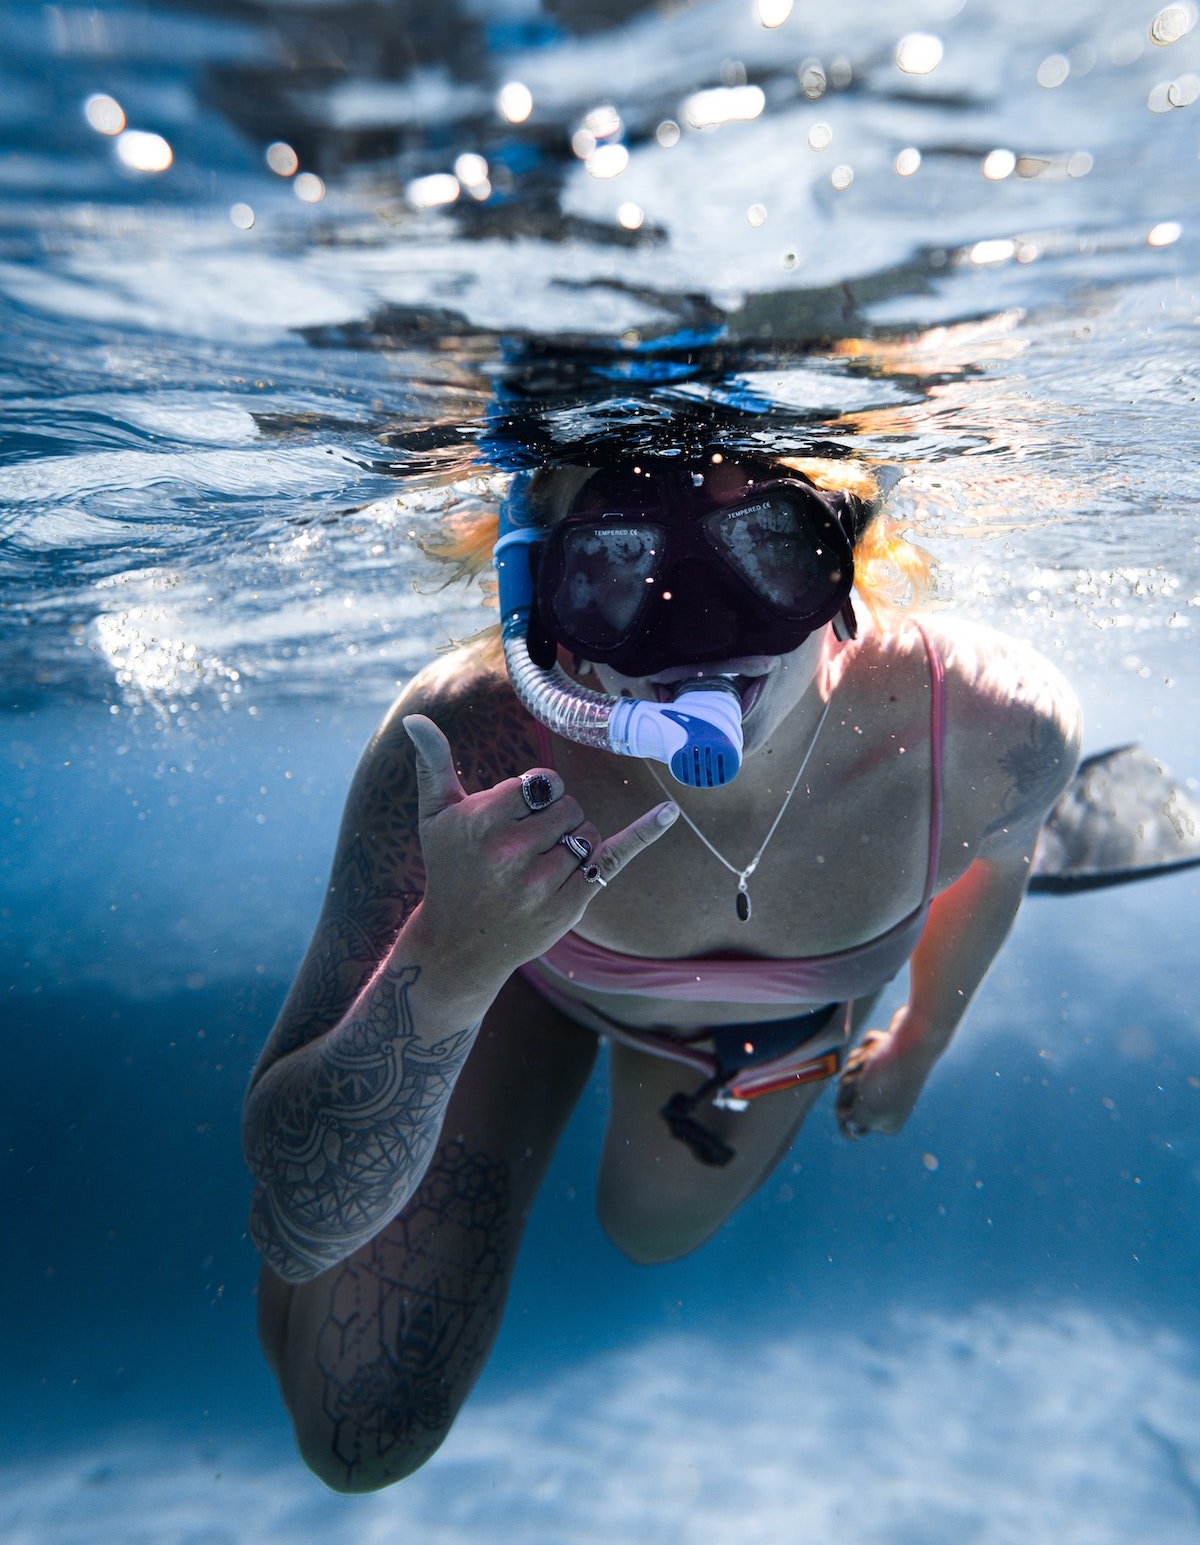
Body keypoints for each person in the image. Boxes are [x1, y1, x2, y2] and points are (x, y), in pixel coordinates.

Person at [241, 450, 1081, 1493]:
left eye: (770, 549)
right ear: (536, 603)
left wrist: (920, 1039)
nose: (701, 639)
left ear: (848, 570)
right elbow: (293, 1208)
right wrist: (449, 962)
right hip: (520, 967)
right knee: (360, 1432)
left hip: (766, 1025)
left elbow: (996, 869)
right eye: (618, 568)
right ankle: (519, 1002)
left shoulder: (995, 722)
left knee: (653, 1231)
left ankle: (993, 864)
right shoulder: (469, 744)